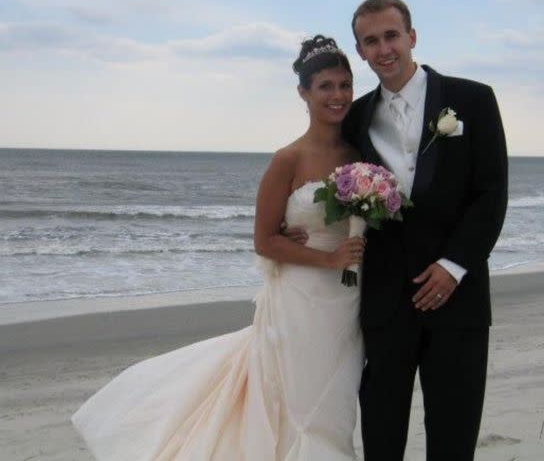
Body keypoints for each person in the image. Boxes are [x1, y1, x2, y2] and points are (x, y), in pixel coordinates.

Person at [71, 35, 366, 460]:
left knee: (335, 404)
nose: (338, 96)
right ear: (303, 92)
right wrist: (328, 257)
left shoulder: (358, 155)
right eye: (326, 86)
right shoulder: (288, 158)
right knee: (298, 403)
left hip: (345, 299)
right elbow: (264, 241)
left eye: (345, 85)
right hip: (300, 298)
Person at [286, 0, 508, 460]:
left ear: (411, 37)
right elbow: (326, 177)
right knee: (382, 437)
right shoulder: (356, 117)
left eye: (391, 36)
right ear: (361, 50)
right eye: (371, 41)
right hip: (385, 301)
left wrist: (453, 266)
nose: (384, 48)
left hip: (459, 300)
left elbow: (491, 195)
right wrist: (295, 226)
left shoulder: (473, 99)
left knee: (454, 435)